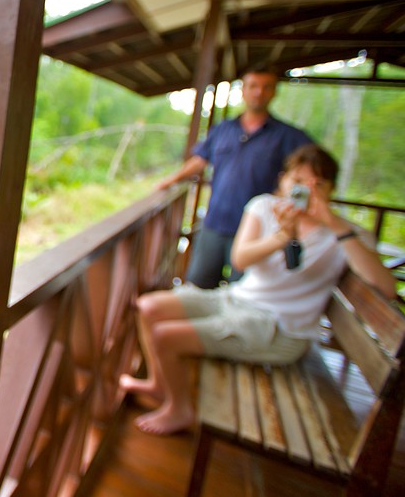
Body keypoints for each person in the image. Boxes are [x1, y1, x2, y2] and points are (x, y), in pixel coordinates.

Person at [123, 145, 397, 436]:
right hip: (236, 299)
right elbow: (240, 259)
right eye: (299, 181)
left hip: (280, 329)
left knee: (166, 336)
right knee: (149, 307)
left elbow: (386, 288)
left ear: (331, 189)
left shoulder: (346, 234)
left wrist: (333, 223)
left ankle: (179, 409)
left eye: (318, 184)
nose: (306, 190)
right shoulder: (264, 207)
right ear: (283, 181)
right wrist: (282, 236)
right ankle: (158, 382)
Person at [159, 65, 314, 289]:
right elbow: (200, 160)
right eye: (253, 86)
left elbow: (313, 166)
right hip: (214, 223)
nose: (259, 92)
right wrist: (171, 180)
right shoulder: (223, 129)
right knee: (198, 286)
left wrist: (294, 194)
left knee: (241, 292)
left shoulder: (287, 135)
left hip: (257, 231)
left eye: (266, 87)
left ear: (274, 91)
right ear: (243, 90)